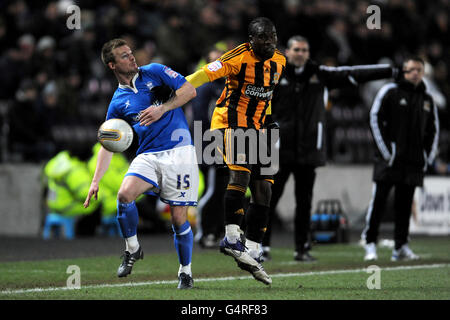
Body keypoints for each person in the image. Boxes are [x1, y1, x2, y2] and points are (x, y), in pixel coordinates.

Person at [263, 35, 400, 262]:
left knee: (304, 201)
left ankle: (302, 248)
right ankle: (261, 245)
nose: (301, 53)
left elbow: (353, 73)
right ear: (287, 51)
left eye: (305, 50)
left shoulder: (320, 74)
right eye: (297, 49)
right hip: (280, 149)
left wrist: (387, 71)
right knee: (268, 198)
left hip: (308, 150)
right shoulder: (274, 75)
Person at [84, 39, 198, 289]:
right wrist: (95, 181)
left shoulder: (155, 72)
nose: (132, 58)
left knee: (178, 218)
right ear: (112, 65)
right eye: (124, 56)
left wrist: (163, 108)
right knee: (124, 195)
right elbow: (108, 142)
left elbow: (190, 91)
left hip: (179, 151)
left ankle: (185, 272)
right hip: (148, 154)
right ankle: (133, 248)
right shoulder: (117, 102)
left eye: (131, 53)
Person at [186, 17, 286, 285]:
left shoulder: (280, 61)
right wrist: (177, 87)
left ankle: (253, 247)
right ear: (251, 39)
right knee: (239, 177)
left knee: (264, 187)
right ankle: (231, 236)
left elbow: (267, 95)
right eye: (264, 37)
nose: (270, 42)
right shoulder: (237, 57)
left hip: (260, 126)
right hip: (230, 123)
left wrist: (268, 119)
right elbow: (204, 73)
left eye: (273, 36)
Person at [362, 56, 439, 261]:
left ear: (423, 73)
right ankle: (370, 243)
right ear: (403, 71)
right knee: (378, 202)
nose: (415, 73)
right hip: (389, 161)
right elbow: (374, 118)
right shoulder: (390, 91)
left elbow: (433, 130)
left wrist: (426, 157)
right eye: (411, 69)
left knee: (404, 206)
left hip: (413, 161)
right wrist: (387, 152)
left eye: (419, 70)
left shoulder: (427, 98)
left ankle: (401, 247)